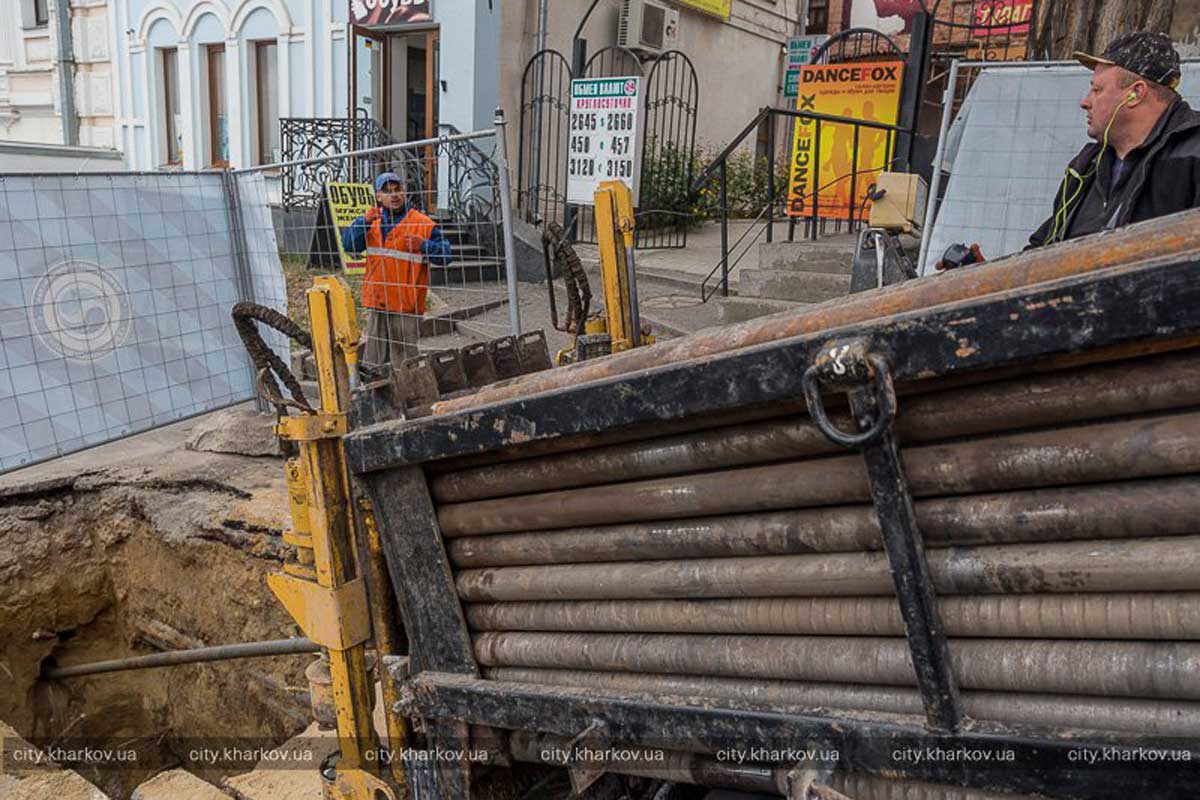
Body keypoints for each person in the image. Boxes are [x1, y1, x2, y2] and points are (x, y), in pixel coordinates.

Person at [1027, 32, 1200, 248]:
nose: (1085, 102)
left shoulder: (1193, 154)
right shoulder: (1086, 166)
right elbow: (1043, 248)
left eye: (1097, 90)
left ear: (1135, 93)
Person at [341, 171, 452, 368]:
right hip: (379, 302)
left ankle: (410, 396)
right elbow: (349, 245)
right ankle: (375, 396)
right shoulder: (370, 221)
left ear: (404, 192)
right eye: (387, 191)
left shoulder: (422, 223)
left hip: (406, 306)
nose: (394, 195)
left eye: (398, 190)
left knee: (405, 362)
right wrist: (363, 222)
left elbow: (446, 256)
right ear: (378, 196)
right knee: (373, 361)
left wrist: (424, 245)